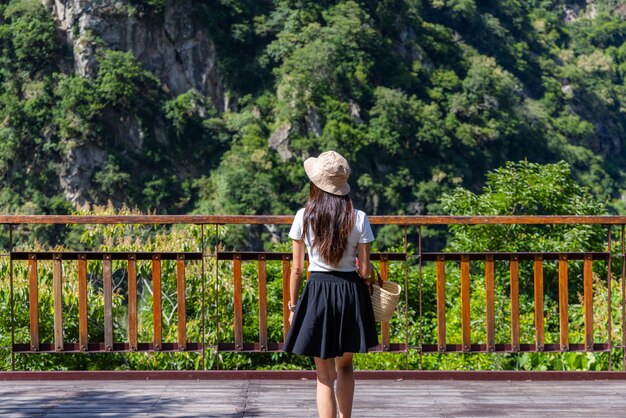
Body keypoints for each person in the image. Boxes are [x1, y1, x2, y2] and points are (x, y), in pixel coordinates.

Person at [283, 150, 378, 418]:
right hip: (350, 292)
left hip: (317, 293)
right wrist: (360, 269)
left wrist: (293, 306)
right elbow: (365, 269)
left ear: (316, 183)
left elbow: (298, 269)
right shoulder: (358, 217)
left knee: (324, 375)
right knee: (345, 366)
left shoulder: (304, 216)